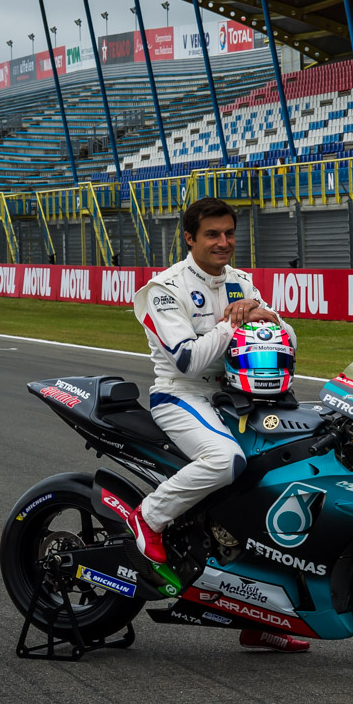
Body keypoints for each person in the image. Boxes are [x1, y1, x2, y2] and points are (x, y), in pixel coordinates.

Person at [129, 197, 307, 653]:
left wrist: (266, 315)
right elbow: (187, 360)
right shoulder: (163, 288)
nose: (223, 242)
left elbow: (286, 338)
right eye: (212, 234)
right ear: (190, 238)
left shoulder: (241, 282)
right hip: (181, 395)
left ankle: (256, 615)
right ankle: (148, 516)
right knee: (226, 460)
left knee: (283, 471)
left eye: (229, 233)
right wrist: (233, 323)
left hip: (239, 394)